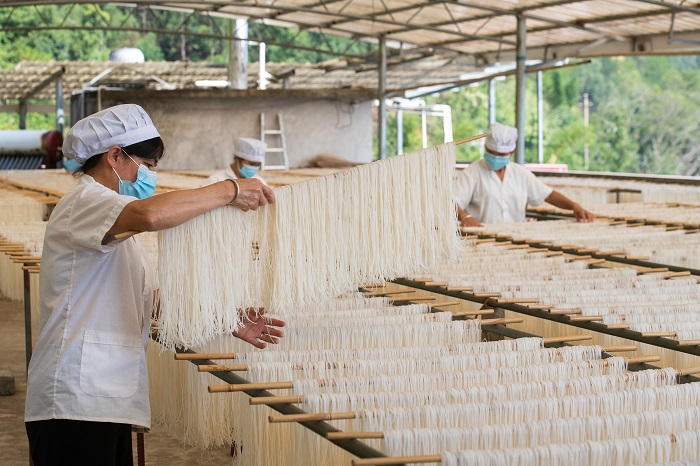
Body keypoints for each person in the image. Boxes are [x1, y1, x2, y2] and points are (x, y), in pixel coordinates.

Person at [24, 104, 285, 466]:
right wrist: (228, 190)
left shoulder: (117, 227)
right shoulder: (84, 203)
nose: (148, 176)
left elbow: (151, 300)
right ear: (114, 155)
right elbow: (151, 215)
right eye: (145, 166)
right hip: (71, 402)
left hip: (103, 398)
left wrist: (227, 318)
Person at [455, 122, 596, 227]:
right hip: (481, 239)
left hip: (515, 240)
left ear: (511, 153)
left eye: (501, 154)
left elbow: (547, 194)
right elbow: (450, 203)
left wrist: (574, 206)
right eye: (492, 153)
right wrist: (464, 216)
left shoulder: (520, 174)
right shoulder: (472, 173)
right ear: (486, 148)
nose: (496, 157)